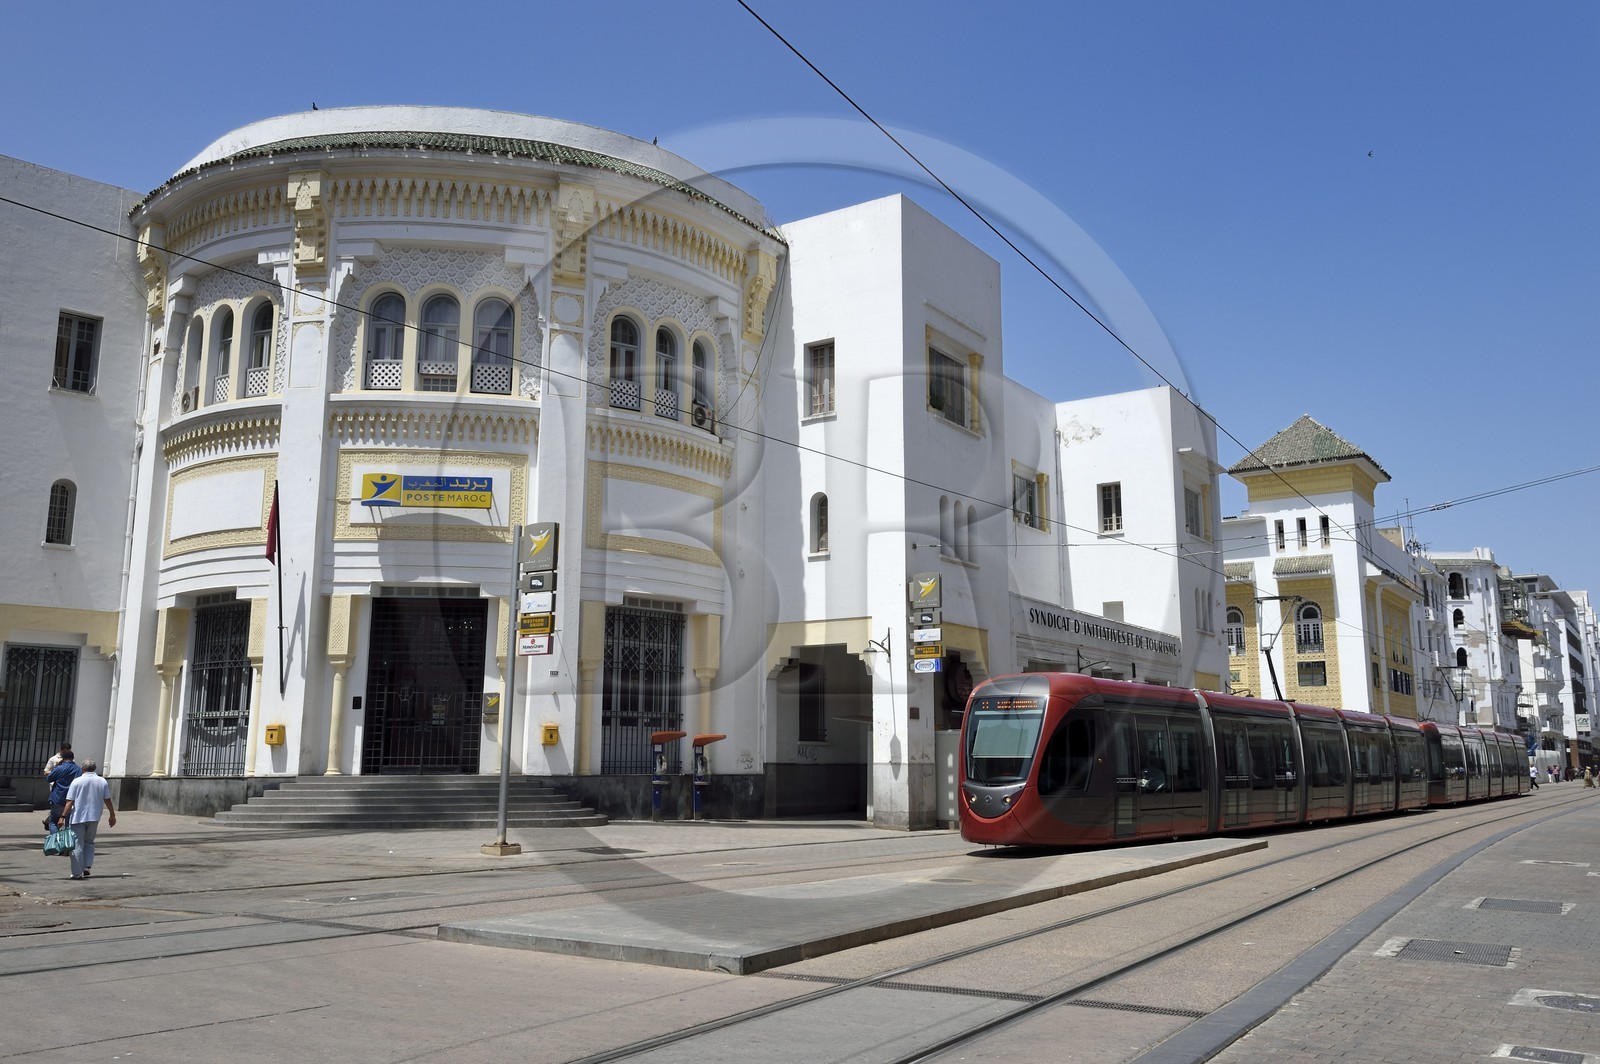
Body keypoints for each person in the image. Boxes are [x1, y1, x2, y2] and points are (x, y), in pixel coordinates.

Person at [57, 759, 115, 880]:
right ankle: (87, 867)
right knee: (89, 842)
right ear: (94, 768)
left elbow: (70, 801)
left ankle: (77, 873)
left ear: (82, 769)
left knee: (77, 844)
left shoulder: (77, 782)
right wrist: (112, 814)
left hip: (78, 817)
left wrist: (62, 816)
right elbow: (107, 799)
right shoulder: (102, 781)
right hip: (94, 817)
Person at [44, 749, 82, 833]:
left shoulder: (59, 768)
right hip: (72, 798)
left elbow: (49, 778)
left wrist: (56, 767)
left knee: (53, 821)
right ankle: (68, 842)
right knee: (69, 822)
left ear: (63, 758)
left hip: (58, 797)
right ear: (72, 758)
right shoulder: (78, 769)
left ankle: (55, 842)